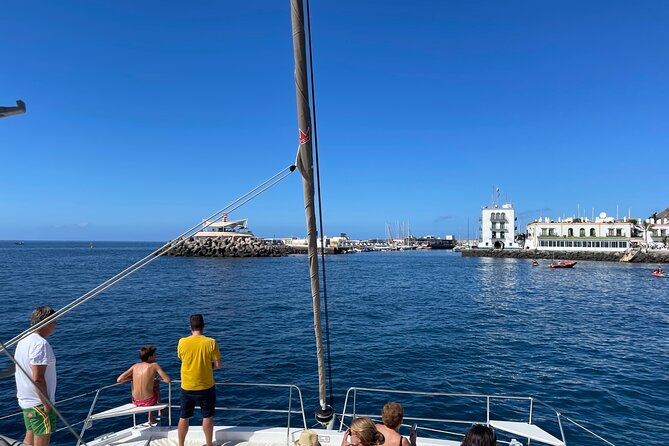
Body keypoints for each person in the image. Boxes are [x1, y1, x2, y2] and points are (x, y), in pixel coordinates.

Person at [14, 306, 58, 446]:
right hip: (39, 403)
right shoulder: (40, 344)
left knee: (29, 438)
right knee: (42, 441)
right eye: (54, 322)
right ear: (47, 323)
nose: (55, 326)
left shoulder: (23, 340)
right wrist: (47, 405)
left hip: (27, 402)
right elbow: (38, 378)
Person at [177, 314, 222, 446]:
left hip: (187, 386)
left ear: (190, 327)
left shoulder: (182, 342)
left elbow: (182, 358)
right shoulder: (211, 342)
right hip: (206, 387)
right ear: (203, 326)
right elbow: (218, 365)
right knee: (207, 416)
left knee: (184, 417)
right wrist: (207, 366)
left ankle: (181, 444)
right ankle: (209, 444)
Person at [116, 345, 172, 424]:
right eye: (154, 355)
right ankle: (156, 414)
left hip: (135, 401)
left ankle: (153, 416)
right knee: (156, 384)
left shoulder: (135, 366)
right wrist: (155, 380)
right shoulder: (154, 365)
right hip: (149, 401)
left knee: (153, 384)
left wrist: (132, 379)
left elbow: (119, 379)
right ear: (150, 357)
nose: (156, 356)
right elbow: (167, 380)